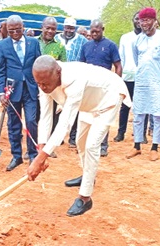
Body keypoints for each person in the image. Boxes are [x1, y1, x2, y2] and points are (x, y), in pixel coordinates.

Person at [28, 56, 131, 216]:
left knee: (91, 145)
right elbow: (46, 116)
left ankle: (85, 198)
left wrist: (40, 158)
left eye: (46, 84)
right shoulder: (45, 79)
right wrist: (42, 148)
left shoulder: (75, 79)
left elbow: (65, 123)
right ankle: (87, 176)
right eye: (38, 84)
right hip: (88, 103)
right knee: (80, 141)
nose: (42, 87)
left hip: (109, 97)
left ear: (58, 72)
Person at [126, 7, 160, 161]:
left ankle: (154, 147)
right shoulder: (137, 40)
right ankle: (137, 146)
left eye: (147, 20)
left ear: (155, 21)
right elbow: (136, 60)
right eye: (141, 20)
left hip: (158, 82)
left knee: (158, 114)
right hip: (141, 82)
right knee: (138, 114)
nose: (144, 23)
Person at [0, 15, 41, 171]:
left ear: (23, 27)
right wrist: (1, 93)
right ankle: (16, 156)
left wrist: (41, 87)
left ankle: (33, 154)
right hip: (12, 91)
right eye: (11, 30)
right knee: (13, 125)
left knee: (31, 122)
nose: (15, 32)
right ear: (7, 30)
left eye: (17, 29)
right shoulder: (2, 46)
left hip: (30, 89)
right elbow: (0, 71)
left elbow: (39, 65)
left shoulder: (34, 43)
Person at [80, 19, 122, 157]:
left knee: (102, 116)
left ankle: (103, 146)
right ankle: (86, 143)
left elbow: (118, 66)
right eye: (92, 31)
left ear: (103, 29)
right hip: (88, 88)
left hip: (104, 88)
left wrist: (116, 83)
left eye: (97, 31)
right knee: (87, 115)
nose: (94, 34)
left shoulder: (110, 46)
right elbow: (81, 66)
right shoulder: (86, 46)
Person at [114, 11, 148, 143]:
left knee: (143, 107)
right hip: (127, 77)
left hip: (144, 78)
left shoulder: (150, 37)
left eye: (142, 19)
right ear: (133, 20)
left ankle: (142, 134)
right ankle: (121, 132)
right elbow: (120, 58)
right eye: (137, 19)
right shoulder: (125, 38)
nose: (139, 21)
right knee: (125, 106)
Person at [55, 17, 88, 148]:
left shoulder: (83, 41)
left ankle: (73, 137)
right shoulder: (56, 39)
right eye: (67, 27)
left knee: (75, 108)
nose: (69, 30)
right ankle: (58, 137)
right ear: (63, 27)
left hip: (76, 79)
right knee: (58, 109)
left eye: (71, 28)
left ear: (74, 28)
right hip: (58, 80)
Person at [37, 16, 67, 159]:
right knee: (37, 116)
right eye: (47, 28)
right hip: (35, 85)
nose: (50, 31)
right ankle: (38, 146)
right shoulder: (33, 43)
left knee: (49, 116)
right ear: (42, 27)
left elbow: (64, 68)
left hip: (53, 88)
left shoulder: (60, 46)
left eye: (53, 29)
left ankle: (47, 147)